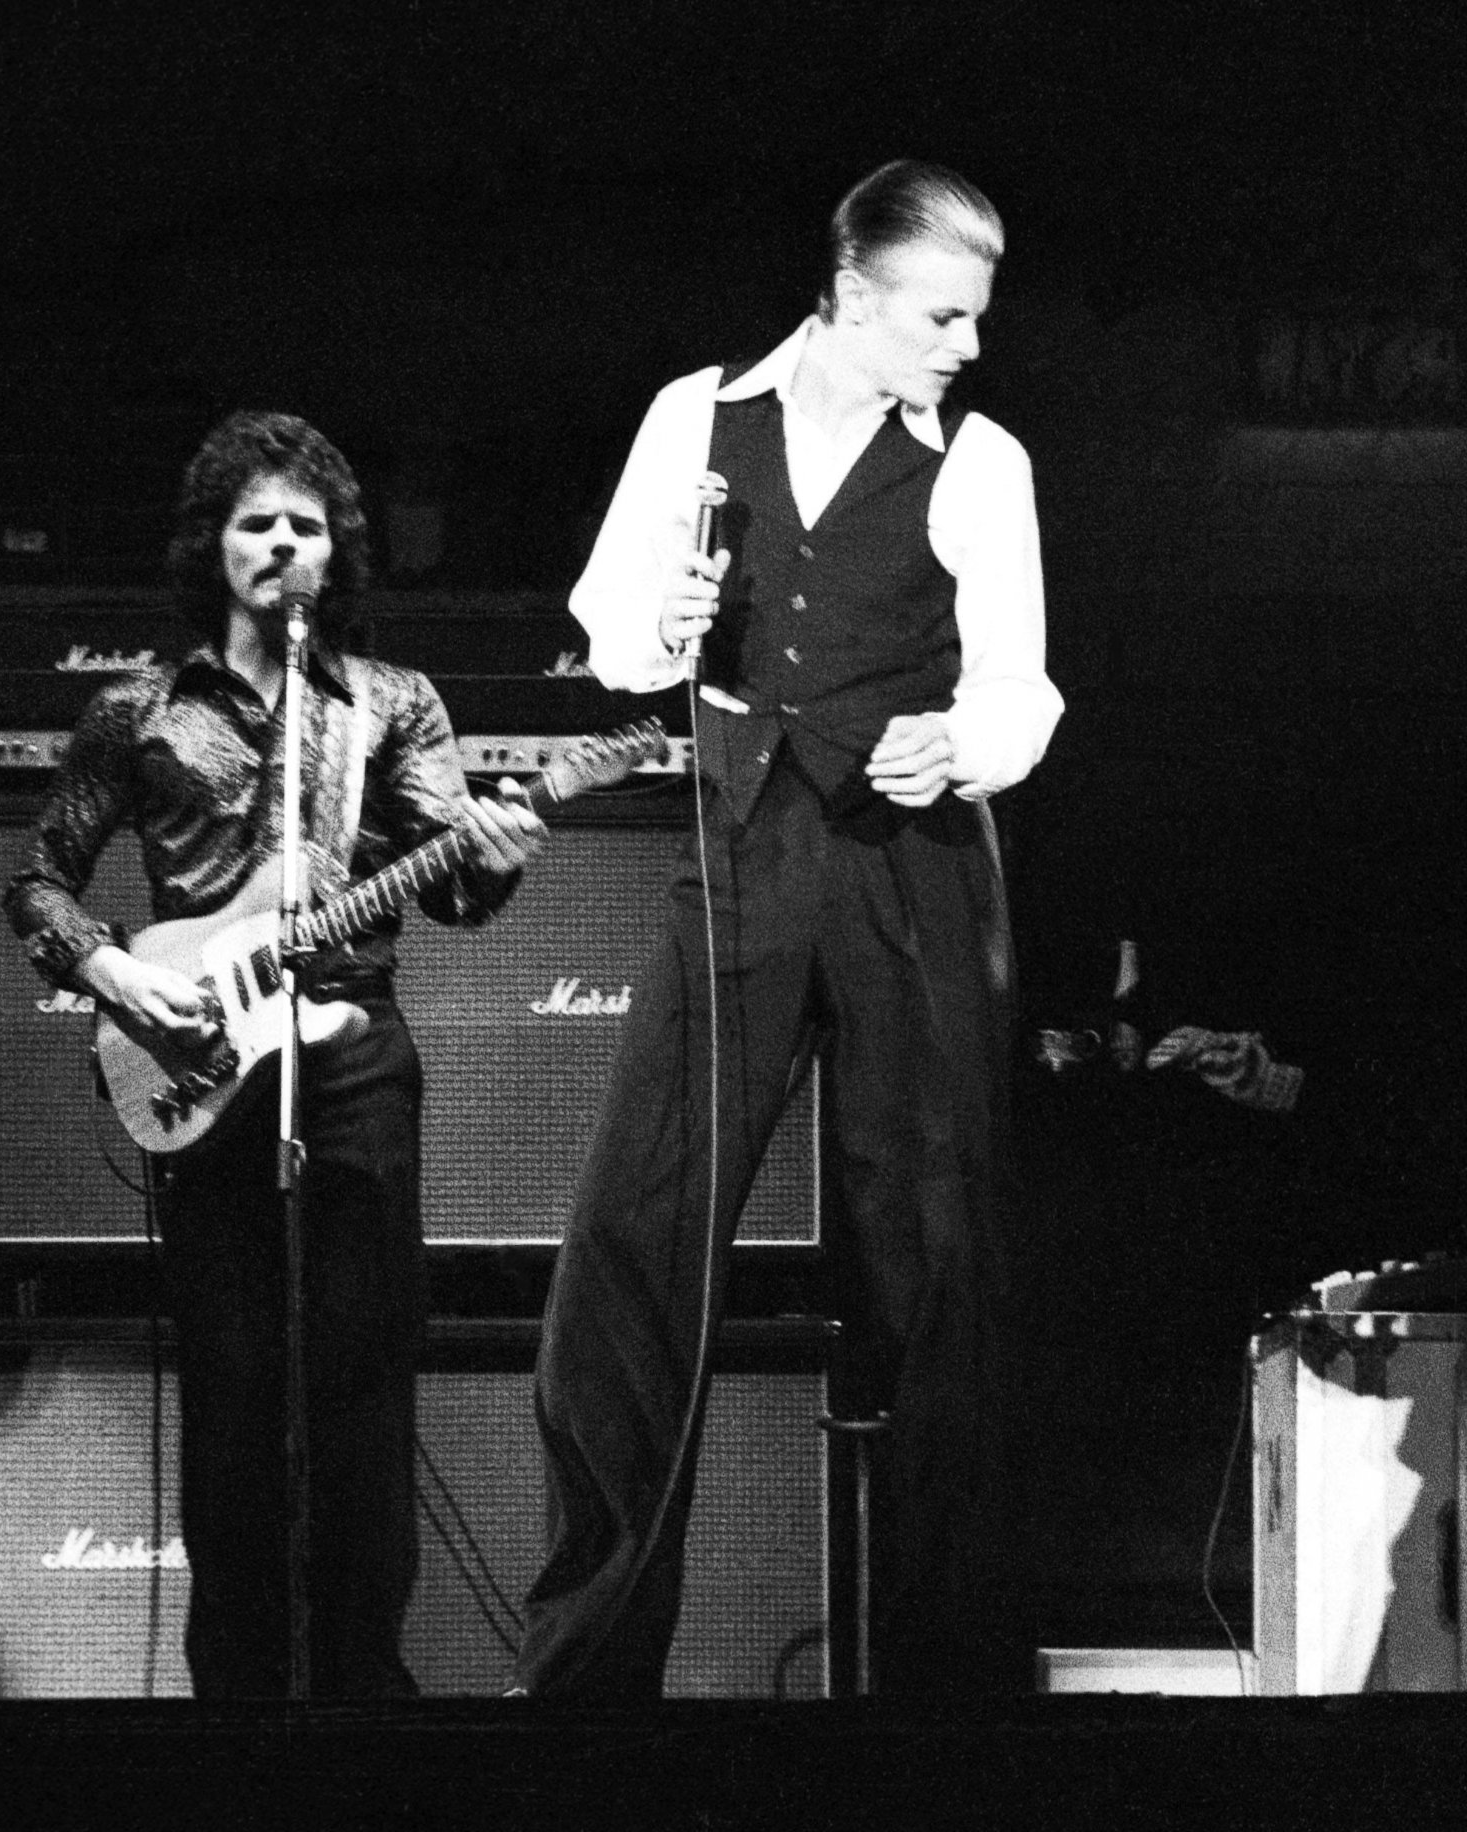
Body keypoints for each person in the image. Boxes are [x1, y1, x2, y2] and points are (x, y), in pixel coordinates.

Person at [517, 159, 1063, 1698]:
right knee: (636, 1239)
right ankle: (588, 1671)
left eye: (977, 316)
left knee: (936, 1261)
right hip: (744, 841)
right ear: (851, 295)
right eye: (941, 314)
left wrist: (959, 740)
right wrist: (656, 639)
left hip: (910, 869)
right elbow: (614, 627)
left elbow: (1020, 684)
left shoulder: (978, 457)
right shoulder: (699, 415)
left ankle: (949, 1681)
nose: (965, 344)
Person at [6, 410, 544, 1698]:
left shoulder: (392, 703)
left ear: (334, 553)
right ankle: (234, 1699)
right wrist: (117, 972)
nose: (284, 545)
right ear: (218, 545)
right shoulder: (139, 707)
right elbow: (38, 884)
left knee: (363, 1383)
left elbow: (450, 890)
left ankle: (363, 1684)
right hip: (198, 1061)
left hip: (352, 1064)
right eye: (260, 523)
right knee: (234, 1395)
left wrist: (499, 861)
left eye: (307, 526)